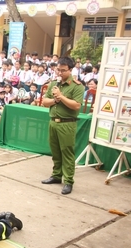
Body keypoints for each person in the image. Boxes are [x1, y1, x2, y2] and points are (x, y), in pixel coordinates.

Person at [41, 57, 85, 195]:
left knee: (67, 152)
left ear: (71, 70)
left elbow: (76, 105)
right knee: (55, 151)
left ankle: (68, 181)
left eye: (63, 70)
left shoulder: (77, 86)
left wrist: (61, 96)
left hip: (67, 123)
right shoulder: (54, 83)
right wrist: (55, 99)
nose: (59, 73)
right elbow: (45, 102)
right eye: (58, 70)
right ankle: (56, 175)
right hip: (53, 121)